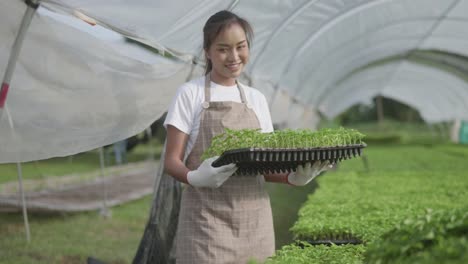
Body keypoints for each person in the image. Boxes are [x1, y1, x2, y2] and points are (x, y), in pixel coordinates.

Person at [163, 10, 330, 263]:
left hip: (255, 221)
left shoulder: (256, 99)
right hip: (206, 221)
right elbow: (171, 161)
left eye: (240, 47)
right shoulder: (190, 94)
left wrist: (293, 178)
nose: (234, 57)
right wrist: (193, 177)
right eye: (223, 49)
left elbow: (264, 165)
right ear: (207, 52)